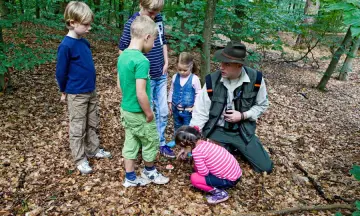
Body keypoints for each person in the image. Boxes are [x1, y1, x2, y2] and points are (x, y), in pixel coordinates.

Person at [190, 41, 273, 173]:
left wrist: (243, 115)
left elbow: (262, 105)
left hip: (242, 131)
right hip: (218, 131)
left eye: (227, 64)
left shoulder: (256, 80)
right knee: (203, 168)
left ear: (239, 65)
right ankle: (226, 148)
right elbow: (201, 112)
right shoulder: (212, 81)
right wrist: (192, 140)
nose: (221, 66)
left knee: (265, 168)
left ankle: (235, 148)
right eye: (221, 62)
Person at [55, 1, 111, 175]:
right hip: (76, 93)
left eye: (89, 24)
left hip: (90, 90)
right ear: (72, 22)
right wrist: (63, 90)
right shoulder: (66, 46)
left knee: (92, 122)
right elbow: (60, 72)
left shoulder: (84, 43)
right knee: (78, 127)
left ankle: (93, 149)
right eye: (85, 24)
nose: (89, 28)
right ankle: (80, 159)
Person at [117, 15, 169, 187]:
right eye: (154, 41)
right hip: (139, 112)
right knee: (150, 140)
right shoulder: (141, 61)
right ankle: (150, 171)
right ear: (146, 37)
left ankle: (130, 177)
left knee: (131, 141)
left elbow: (120, 84)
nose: (154, 45)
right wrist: (148, 113)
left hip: (126, 109)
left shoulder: (123, 56)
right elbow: (141, 93)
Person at [175, 126, 242, 204]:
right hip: (236, 174)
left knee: (194, 178)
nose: (182, 149)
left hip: (229, 180)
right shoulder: (205, 142)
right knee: (197, 167)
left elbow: (204, 173)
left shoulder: (197, 152)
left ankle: (220, 194)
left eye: (182, 148)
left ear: (188, 146)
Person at [167, 52, 201, 141]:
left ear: (191, 67)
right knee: (177, 125)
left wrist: (195, 106)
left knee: (187, 127)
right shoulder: (175, 77)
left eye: (185, 70)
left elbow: (198, 93)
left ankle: (188, 143)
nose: (182, 72)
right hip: (176, 108)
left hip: (188, 110)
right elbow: (172, 90)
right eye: (179, 69)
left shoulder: (194, 79)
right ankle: (176, 140)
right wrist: (170, 102)